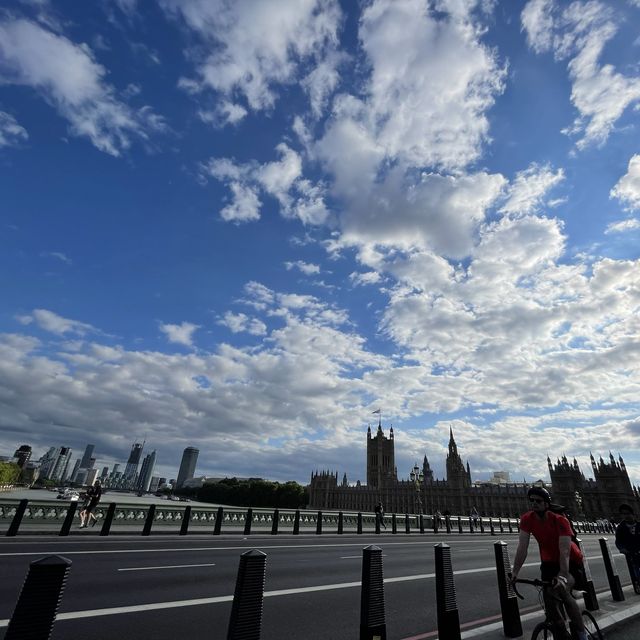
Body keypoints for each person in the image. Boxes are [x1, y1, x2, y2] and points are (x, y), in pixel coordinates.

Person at [510, 487, 588, 640]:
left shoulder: (560, 520)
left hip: (571, 561)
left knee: (564, 592)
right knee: (548, 598)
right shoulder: (527, 519)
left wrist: (562, 576)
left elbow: (565, 552)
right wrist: (515, 572)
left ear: (546, 503)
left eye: (538, 501)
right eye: (531, 500)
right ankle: (561, 628)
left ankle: (581, 634)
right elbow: (522, 548)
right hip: (548, 562)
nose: (534, 503)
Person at [615, 503, 640, 593]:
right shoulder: (621, 528)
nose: (626, 516)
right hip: (631, 553)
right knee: (635, 571)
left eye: (627, 513)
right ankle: (638, 585)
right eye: (623, 514)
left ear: (633, 515)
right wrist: (622, 549)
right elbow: (618, 541)